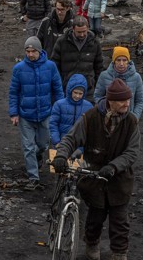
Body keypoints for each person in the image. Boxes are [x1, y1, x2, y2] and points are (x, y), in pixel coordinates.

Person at [53, 78, 140, 260]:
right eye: (123, 101)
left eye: (128, 100)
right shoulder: (91, 117)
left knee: (120, 222)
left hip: (119, 180)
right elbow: (71, 138)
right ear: (110, 101)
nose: (127, 104)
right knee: (95, 217)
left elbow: (132, 152)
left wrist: (114, 166)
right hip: (94, 179)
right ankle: (91, 243)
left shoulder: (131, 122)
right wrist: (60, 155)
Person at [8, 36, 64, 188]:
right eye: (28, 51)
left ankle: (38, 155)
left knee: (43, 144)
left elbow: (57, 89)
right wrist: (14, 113)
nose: (30, 54)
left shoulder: (50, 67)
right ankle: (33, 177)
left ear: (40, 51)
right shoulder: (18, 69)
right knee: (28, 147)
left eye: (33, 51)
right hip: (25, 114)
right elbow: (14, 92)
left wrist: (60, 109)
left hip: (45, 113)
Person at [51, 16, 104, 93]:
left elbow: (99, 67)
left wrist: (96, 86)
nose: (82, 35)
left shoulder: (95, 43)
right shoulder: (62, 42)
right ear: (73, 29)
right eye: (79, 32)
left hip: (88, 89)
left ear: (88, 28)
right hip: (67, 88)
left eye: (84, 31)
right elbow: (54, 65)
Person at [94, 46, 143, 118]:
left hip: (129, 119)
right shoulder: (104, 76)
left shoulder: (136, 77)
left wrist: (135, 117)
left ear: (128, 61)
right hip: (108, 118)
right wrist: (105, 112)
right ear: (114, 61)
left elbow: (140, 100)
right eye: (118, 60)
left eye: (124, 60)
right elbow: (97, 97)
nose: (121, 63)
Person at [50, 73, 94, 148]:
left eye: (80, 93)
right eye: (75, 92)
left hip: (80, 146)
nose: (77, 96)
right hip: (61, 144)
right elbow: (53, 124)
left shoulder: (89, 107)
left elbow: (91, 128)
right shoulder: (59, 105)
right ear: (70, 91)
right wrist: (56, 141)